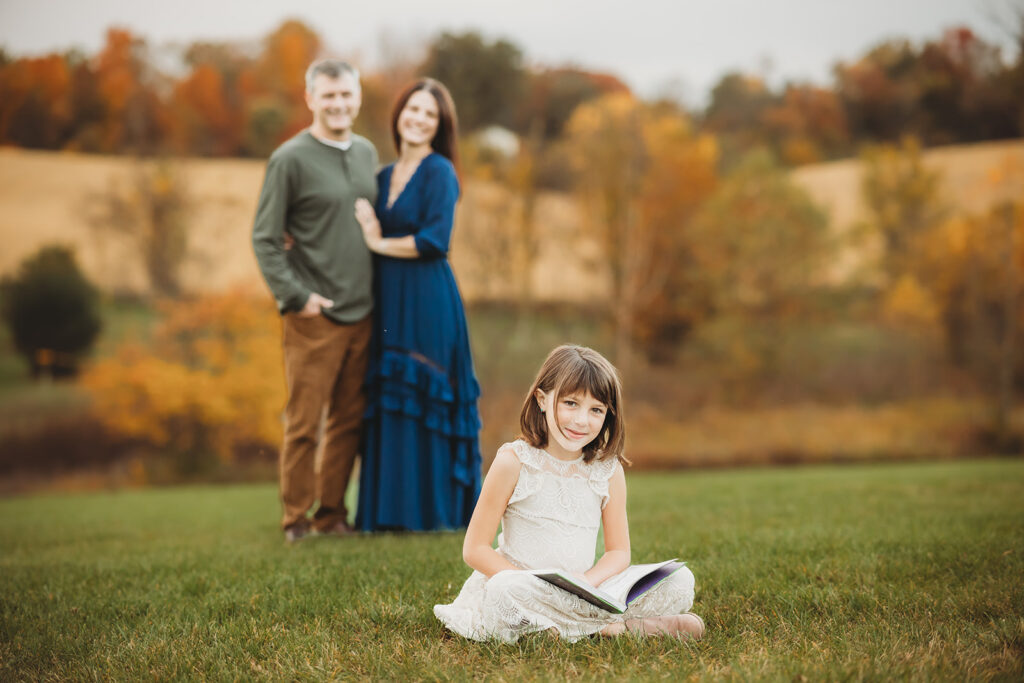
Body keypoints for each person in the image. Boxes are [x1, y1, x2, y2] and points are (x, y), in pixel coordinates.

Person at [433, 345, 705, 642]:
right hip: (524, 585)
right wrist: (524, 580)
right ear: (542, 399)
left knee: (680, 580)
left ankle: (561, 629)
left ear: (608, 416)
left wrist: (587, 582)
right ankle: (612, 629)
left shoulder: (608, 471)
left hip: (585, 588)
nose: (581, 421)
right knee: (503, 590)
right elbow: (474, 549)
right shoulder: (514, 461)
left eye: (596, 410)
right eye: (571, 403)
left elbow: (618, 552)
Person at [252, 58, 379, 543]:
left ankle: (332, 515)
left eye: (346, 94)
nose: (338, 103)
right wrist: (295, 296)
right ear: (310, 99)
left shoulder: (367, 152)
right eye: (328, 95)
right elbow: (265, 237)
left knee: (348, 421)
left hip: (364, 313)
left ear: (358, 97)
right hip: (314, 315)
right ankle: (296, 520)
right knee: (305, 424)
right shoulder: (289, 159)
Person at [353, 78, 481, 531]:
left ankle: (432, 514)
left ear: (440, 125)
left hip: (428, 298)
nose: (419, 119)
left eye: (430, 114)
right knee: (391, 396)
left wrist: (377, 242)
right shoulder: (382, 177)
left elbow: (434, 240)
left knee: (422, 393)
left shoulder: (440, 171)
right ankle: (387, 514)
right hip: (388, 301)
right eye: (413, 109)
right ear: (399, 114)